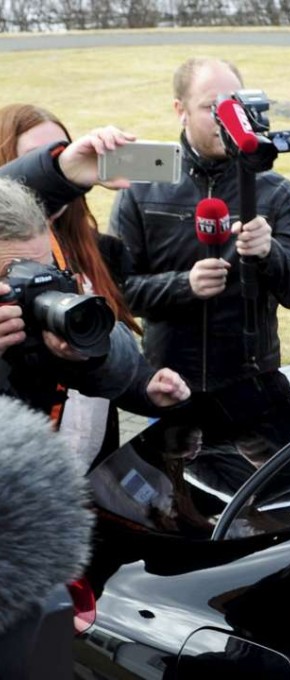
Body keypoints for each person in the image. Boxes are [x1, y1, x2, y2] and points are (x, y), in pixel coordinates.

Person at [109, 56, 290, 393]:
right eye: (210, 107)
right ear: (180, 109)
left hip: (253, 382)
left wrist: (269, 252)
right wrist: (184, 285)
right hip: (170, 384)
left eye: (234, 104)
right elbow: (116, 292)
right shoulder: (143, 188)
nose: (224, 118)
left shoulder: (275, 190)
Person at [0, 104, 150, 461]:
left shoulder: (93, 249)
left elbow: (121, 362)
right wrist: (58, 170)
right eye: (9, 276)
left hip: (76, 473)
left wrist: (87, 354)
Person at [0, 174, 190, 424]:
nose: (33, 290)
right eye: (13, 279)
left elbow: (113, 356)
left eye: (44, 271)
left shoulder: (36, 307)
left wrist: (135, 381)